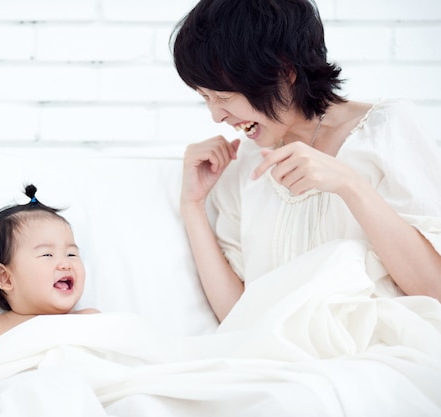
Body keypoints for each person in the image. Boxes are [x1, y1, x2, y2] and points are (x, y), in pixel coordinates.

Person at [171, 0, 441, 323]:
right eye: (206, 98)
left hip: (378, 354)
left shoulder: (388, 131)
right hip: (280, 363)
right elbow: (238, 317)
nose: (216, 116)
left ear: (285, 73)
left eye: (224, 97)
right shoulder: (245, 164)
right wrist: (193, 204)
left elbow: (434, 290)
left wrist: (349, 184)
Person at [0, 185, 98, 385]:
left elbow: (112, 373)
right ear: (5, 278)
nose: (65, 263)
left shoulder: (89, 320)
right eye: (47, 255)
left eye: (71, 254)